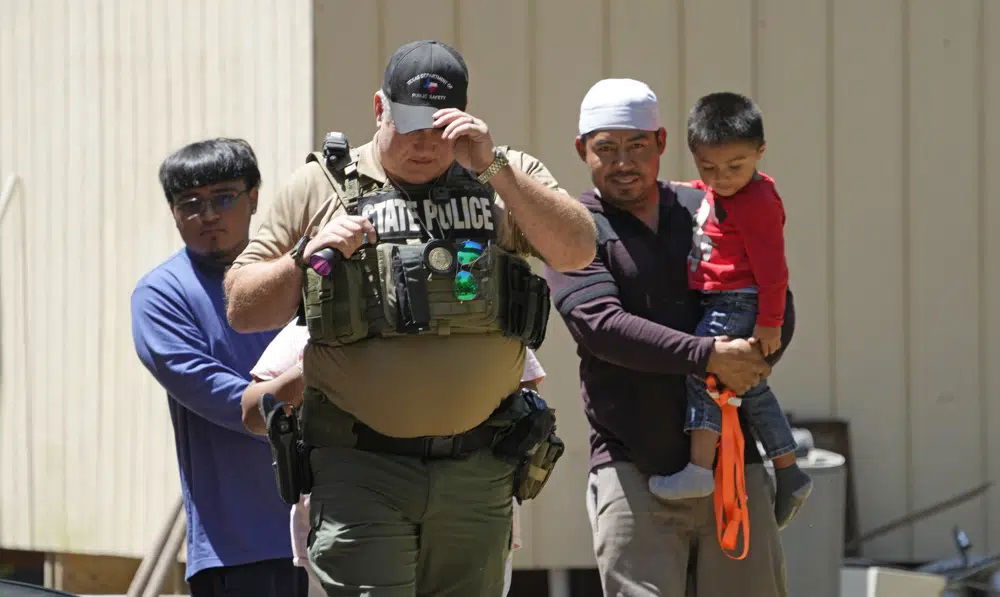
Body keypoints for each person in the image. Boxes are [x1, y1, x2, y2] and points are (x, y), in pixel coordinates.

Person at [223, 40, 596, 596]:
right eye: (409, 123)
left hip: (478, 468)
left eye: (439, 128)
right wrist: (307, 254)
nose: (424, 143)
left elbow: (577, 251)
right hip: (362, 470)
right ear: (380, 108)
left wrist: (492, 166)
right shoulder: (323, 185)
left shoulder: (503, 173)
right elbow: (242, 306)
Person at [544, 78, 795, 596]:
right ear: (581, 150)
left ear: (661, 143)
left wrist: (752, 356)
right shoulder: (574, 225)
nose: (623, 162)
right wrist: (710, 355)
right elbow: (602, 327)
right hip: (634, 467)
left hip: (732, 465)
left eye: (636, 145)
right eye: (605, 148)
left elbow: (772, 295)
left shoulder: (705, 203)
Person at [239, 320, 548, 597]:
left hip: (467, 509)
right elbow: (253, 411)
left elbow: (526, 386)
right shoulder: (325, 316)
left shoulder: (469, 310)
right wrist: (319, 364)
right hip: (354, 510)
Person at [130, 139, 306, 596]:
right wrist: (327, 367)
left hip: (342, 529)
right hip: (243, 549)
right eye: (190, 203)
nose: (208, 214)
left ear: (254, 197)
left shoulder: (301, 276)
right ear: (173, 213)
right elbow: (242, 408)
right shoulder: (161, 297)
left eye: (224, 197)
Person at [647, 92, 812, 527]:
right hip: (723, 298)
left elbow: (774, 269)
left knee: (703, 365)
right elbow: (708, 194)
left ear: (760, 151)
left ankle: (700, 470)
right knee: (747, 386)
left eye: (734, 166)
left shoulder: (756, 201)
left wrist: (770, 321)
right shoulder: (724, 191)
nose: (721, 178)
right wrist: (679, 188)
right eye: (708, 168)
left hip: (740, 299)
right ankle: (789, 470)